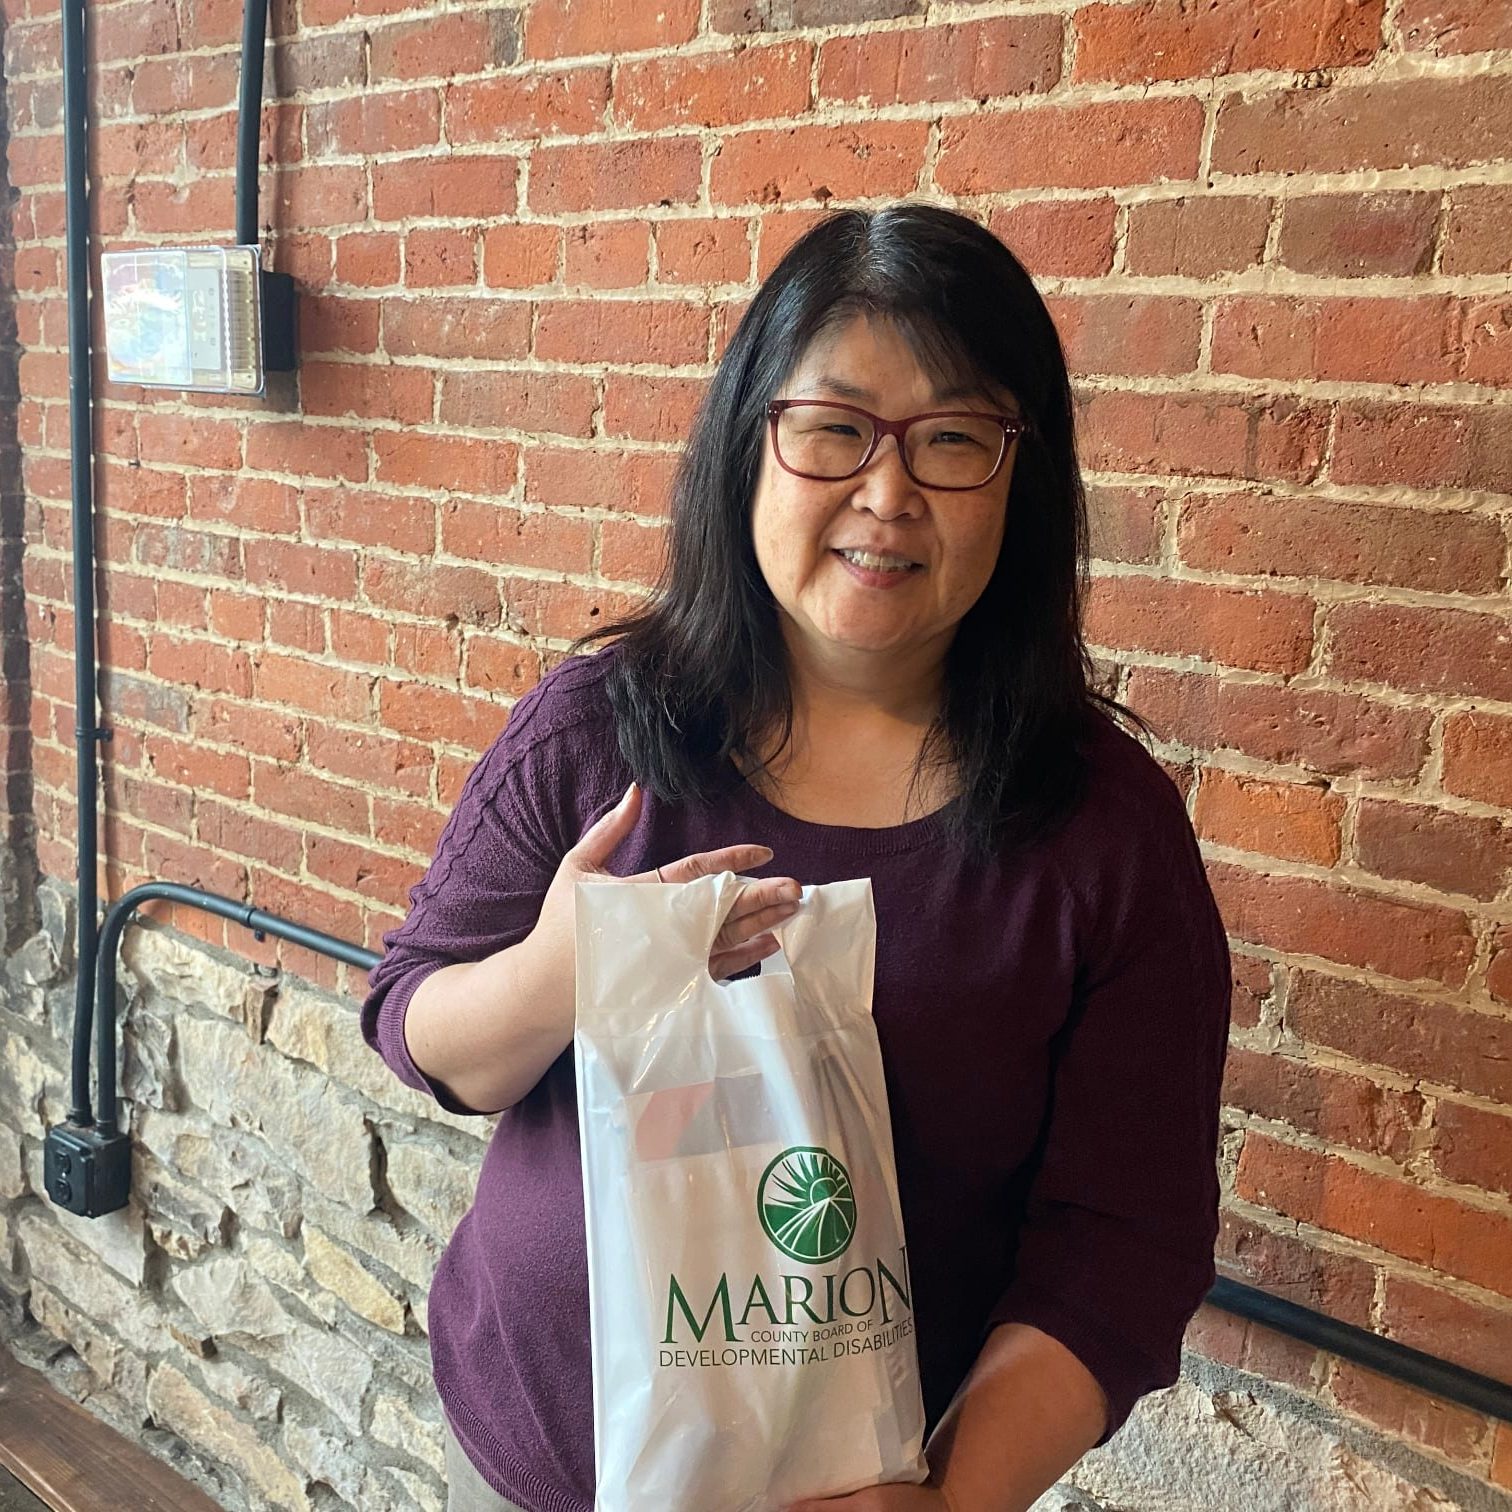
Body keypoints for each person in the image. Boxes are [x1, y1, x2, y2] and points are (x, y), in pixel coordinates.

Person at [361, 201, 1233, 1512]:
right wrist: (568, 967)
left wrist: (951, 1501)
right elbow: (420, 1028)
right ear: (748, 445)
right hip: (528, 1455)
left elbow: (1123, 1247)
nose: (889, 494)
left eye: (953, 440)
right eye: (834, 430)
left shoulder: (1104, 835)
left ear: (1022, 478)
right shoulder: (597, 727)